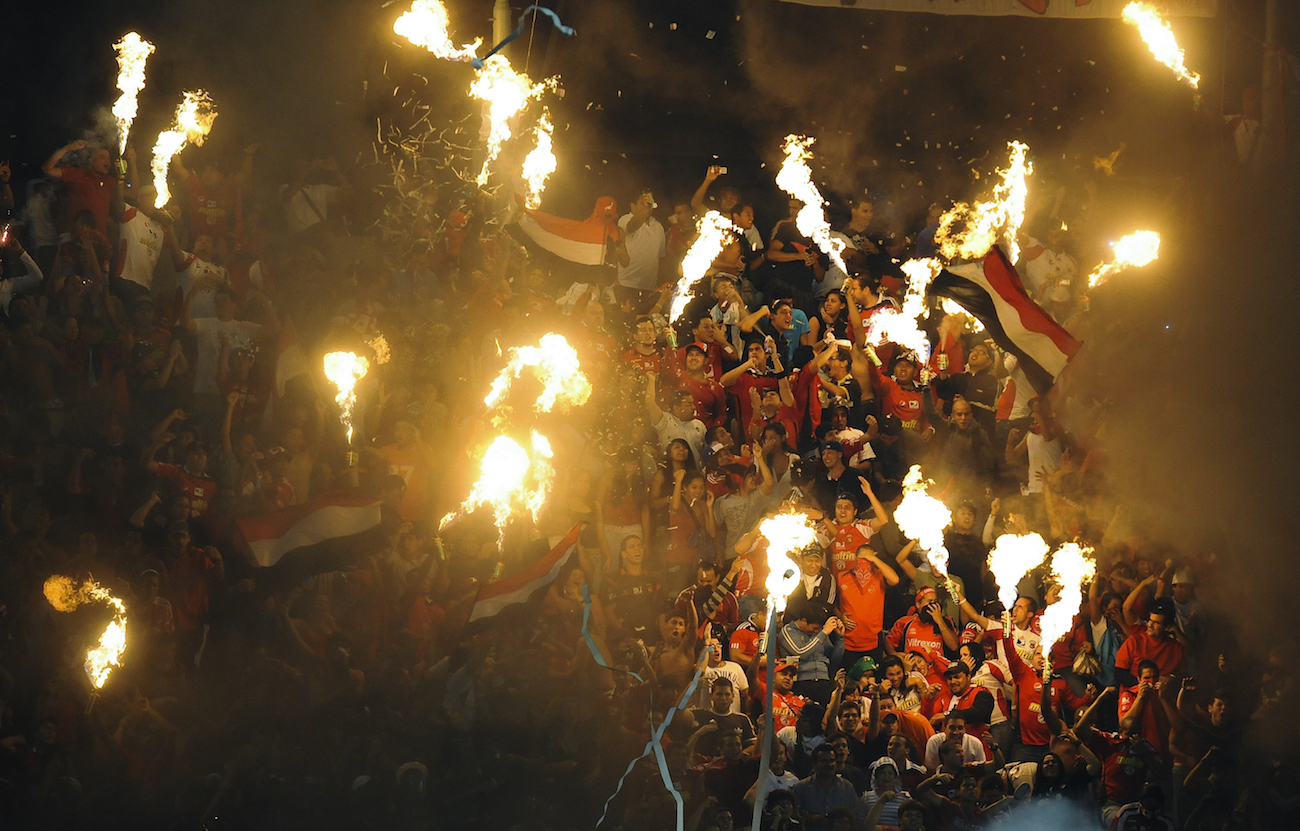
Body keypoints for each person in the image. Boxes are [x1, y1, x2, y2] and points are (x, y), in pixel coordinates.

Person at [836, 544, 901, 668]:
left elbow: (895, 579)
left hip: (872, 642)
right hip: (848, 641)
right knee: (850, 681)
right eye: (862, 557)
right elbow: (833, 603)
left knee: (872, 680)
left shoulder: (879, 575)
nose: (864, 561)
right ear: (855, 558)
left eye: (868, 558)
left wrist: (875, 559)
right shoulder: (842, 576)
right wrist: (840, 616)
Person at [779, 600, 844, 705]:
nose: (817, 631)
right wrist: (823, 633)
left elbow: (835, 659)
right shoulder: (788, 630)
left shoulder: (820, 633)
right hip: (801, 682)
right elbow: (801, 653)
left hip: (824, 680)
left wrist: (840, 638)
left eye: (819, 629)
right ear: (804, 620)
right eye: (815, 628)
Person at [614, 188, 666, 310]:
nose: (648, 206)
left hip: (649, 288)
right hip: (626, 285)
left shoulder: (658, 226)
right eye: (643, 203)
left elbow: (661, 257)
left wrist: (659, 283)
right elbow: (632, 226)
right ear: (633, 206)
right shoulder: (625, 219)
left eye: (650, 203)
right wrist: (647, 207)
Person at [792, 744, 858, 831]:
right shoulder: (801, 787)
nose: (829, 764)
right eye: (824, 761)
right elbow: (793, 815)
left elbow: (855, 816)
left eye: (832, 760)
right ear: (814, 764)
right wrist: (809, 818)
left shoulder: (847, 787)